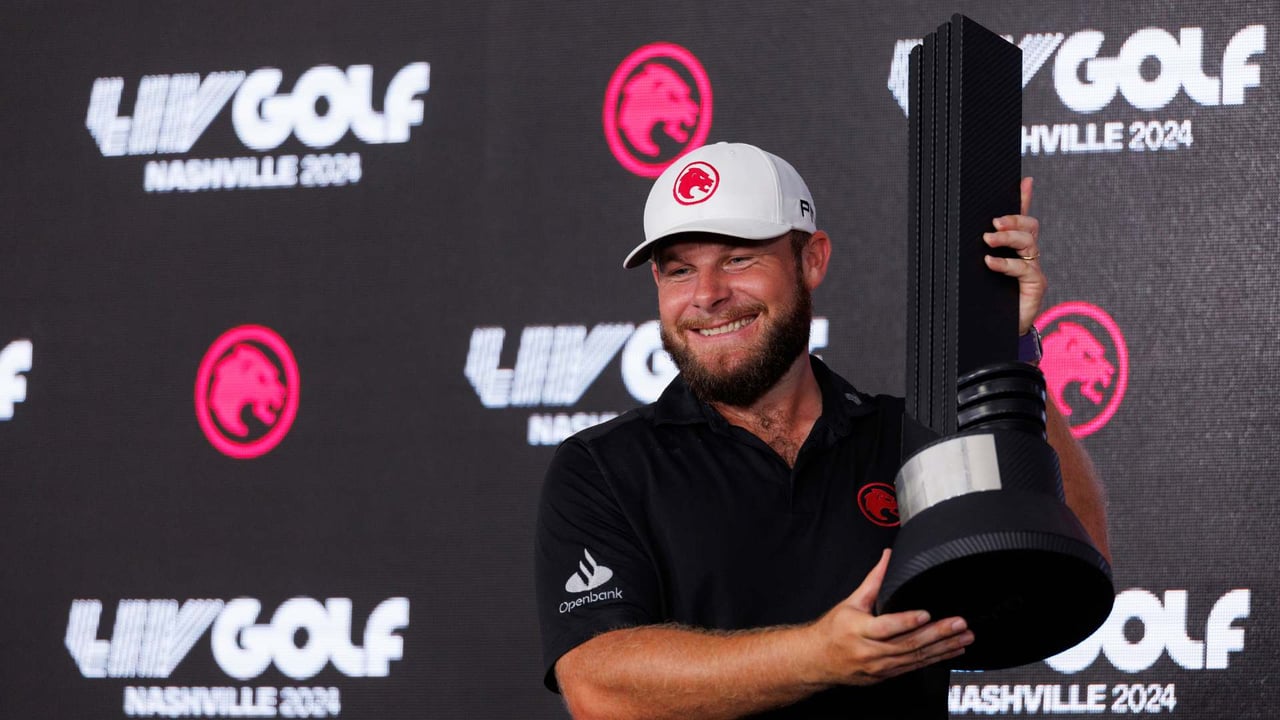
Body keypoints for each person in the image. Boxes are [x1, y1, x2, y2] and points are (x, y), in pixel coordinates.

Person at [534, 142, 1109, 719]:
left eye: (738, 260)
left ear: (812, 259)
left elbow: (1071, 553)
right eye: (681, 270)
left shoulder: (910, 435)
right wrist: (818, 656)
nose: (707, 295)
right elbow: (599, 687)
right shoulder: (605, 466)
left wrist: (1009, 350)